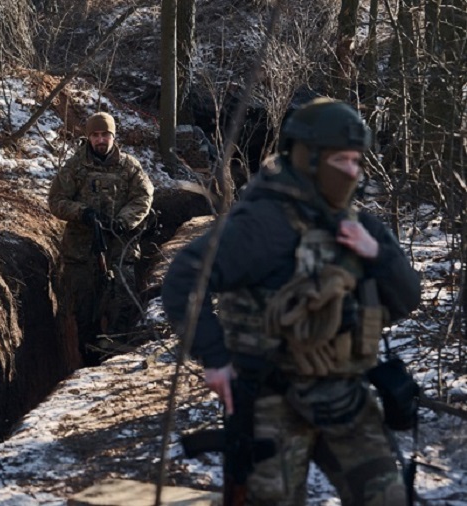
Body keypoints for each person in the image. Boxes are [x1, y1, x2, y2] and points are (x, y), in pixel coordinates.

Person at [161, 98, 421, 505]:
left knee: (388, 497)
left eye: (358, 161)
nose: (354, 172)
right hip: (270, 402)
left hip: (344, 397)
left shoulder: (358, 223)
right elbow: (182, 279)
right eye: (343, 161)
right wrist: (214, 358)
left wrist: (378, 254)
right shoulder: (263, 225)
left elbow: (407, 298)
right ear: (310, 159)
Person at [48, 111, 154, 366]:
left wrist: (122, 221)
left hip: (120, 252)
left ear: (113, 136)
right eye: (95, 135)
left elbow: (144, 197)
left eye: (104, 134)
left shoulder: (129, 166)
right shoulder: (74, 167)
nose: (100, 139)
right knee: (85, 314)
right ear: (88, 137)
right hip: (81, 255)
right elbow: (56, 200)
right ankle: (89, 364)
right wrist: (83, 213)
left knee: (123, 310)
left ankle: (117, 362)